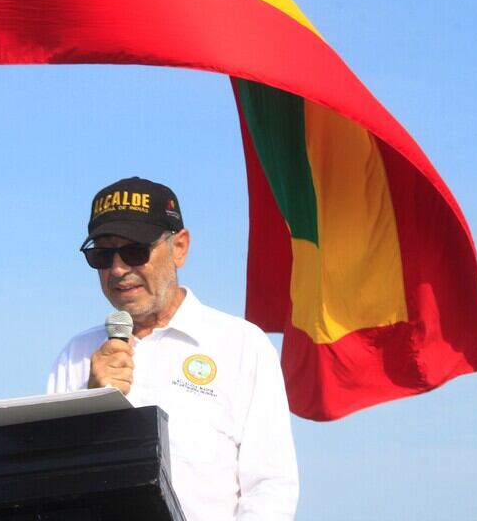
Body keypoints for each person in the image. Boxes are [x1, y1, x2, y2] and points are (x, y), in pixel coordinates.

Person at [47, 177, 299, 521]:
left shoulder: (240, 345)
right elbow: (53, 483)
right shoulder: (77, 355)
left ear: (179, 247)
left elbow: (271, 484)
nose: (119, 269)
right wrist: (92, 400)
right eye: (103, 255)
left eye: (135, 250)